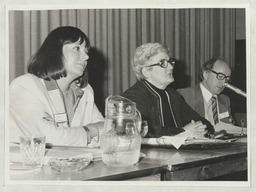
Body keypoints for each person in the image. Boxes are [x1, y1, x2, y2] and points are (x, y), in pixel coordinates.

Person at [9, 26, 104, 147]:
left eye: (86, 51)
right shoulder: (24, 86)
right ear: (56, 51)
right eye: (77, 48)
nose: (86, 57)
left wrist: (81, 136)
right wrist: (91, 131)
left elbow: (108, 132)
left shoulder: (85, 91)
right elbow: (49, 138)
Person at [122, 43, 214, 138]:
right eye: (163, 63)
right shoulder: (133, 96)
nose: (171, 67)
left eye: (170, 62)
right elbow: (141, 130)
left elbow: (203, 123)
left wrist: (200, 129)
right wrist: (183, 131)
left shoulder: (173, 95)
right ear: (146, 72)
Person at [177, 58, 233, 126]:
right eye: (220, 76)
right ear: (205, 74)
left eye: (227, 79)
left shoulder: (225, 100)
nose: (224, 83)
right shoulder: (185, 96)